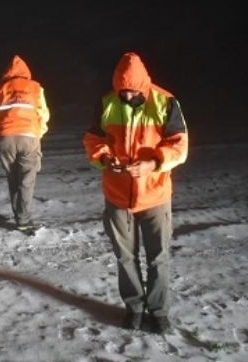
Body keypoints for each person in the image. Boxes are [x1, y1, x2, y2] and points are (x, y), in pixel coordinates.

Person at [83, 52, 188, 333]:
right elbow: (94, 138)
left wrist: (154, 162)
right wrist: (105, 158)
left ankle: (159, 311)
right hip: (117, 195)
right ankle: (134, 308)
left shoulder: (165, 102)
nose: (127, 96)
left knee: (158, 257)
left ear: (143, 85)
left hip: (155, 195)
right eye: (122, 91)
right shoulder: (107, 102)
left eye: (132, 91)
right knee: (125, 256)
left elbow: (180, 144)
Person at [0, 55, 50, 235]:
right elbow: (43, 114)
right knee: (27, 180)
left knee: (13, 177)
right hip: (29, 136)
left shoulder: (0, 89)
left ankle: (18, 214)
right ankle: (23, 219)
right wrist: (38, 133)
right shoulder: (35, 87)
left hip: (5, 137)